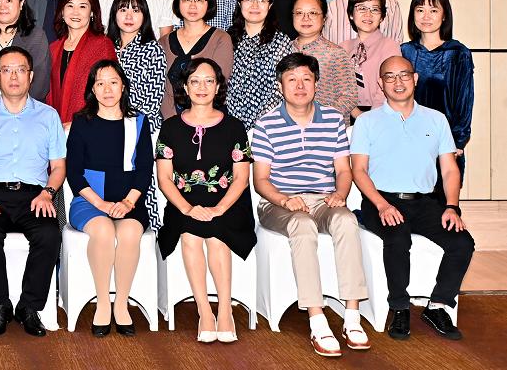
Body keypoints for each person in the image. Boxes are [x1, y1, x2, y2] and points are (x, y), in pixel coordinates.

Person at [252, 53, 369, 357]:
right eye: (292, 80)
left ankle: (352, 317)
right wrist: (284, 199)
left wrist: (340, 194)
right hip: (278, 202)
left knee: (346, 220)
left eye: (306, 79)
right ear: (280, 86)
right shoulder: (266, 124)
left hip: (323, 199)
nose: (300, 86)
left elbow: (343, 170)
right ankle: (317, 319)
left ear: (316, 83)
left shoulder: (333, 120)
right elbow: (261, 181)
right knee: (302, 225)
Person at [350, 55, 474, 341]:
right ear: (380, 84)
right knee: (397, 236)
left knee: (462, 242)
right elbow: (359, 171)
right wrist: (382, 204)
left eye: (404, 75)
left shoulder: (436, 119)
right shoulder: (367, 122)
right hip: (381, 200)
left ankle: (438, 305)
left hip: (426, 202)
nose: (398, 82)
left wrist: (452, 207)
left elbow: (449, 169)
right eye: (390, 77)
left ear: (415, 79)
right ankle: (400, 307)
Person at [0, 46, 65, 338]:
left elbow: (58, 167)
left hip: (36, 196)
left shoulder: (48, 116)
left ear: (31, 75)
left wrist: (48, 193)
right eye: (6, 70)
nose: (14, 76)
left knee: (49, 235)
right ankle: (1, 304)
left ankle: (29, 307)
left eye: (20, 70)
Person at [155, 58, 255, 343]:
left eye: (209, 80)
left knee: (216, 236)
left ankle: (224, 310)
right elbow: (165, 178)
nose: (202, 87)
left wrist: (219, 208)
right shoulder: (170, 128)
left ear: (218, 86)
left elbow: (241, 178)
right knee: (190, 234)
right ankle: (204, 312)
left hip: (228, 205)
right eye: (195, 81)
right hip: (183, 204)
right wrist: (187, 208)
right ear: (185, 87)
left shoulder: (234, 127)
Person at [65, 59, 153, 336]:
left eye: (113, 82)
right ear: (92, 89)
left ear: (123, 86)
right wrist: (101, 204)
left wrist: (128, 202)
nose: (107, 89)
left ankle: (122, 304)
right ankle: (103, 303)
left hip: (129, 200)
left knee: (129, 233)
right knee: (103, 231)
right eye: (100, 83)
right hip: (89, 201)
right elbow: (74, 173)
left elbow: (144, 170)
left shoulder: (138, 122)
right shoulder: (82, 122)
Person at [107, 0, 168, 230]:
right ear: (114, 15)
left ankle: (148, 230)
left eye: (136, 10)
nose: (129, 16)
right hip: (109, 127)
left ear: (145, 16)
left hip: (142, 127)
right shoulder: (106, 47)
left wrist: (118, 115)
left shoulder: (152, 50)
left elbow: (152, 100)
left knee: (142, 182)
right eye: (123, 9)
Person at [401, 0, 475, 182]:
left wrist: (457, 141)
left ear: (444, 16)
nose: (426, 16)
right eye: (420, 10)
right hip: (407, 141)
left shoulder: (458, 53)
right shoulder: (404, 52)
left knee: (442, 198)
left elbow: (464, 101)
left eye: (433, 10)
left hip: (444, 142)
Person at [160, 0, 234, 118]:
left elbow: (219, 83)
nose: (192, 5)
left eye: (199, 0)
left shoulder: (221, 38)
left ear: (209, 3)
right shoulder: (164, 42)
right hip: (169, 119)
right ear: (178, 2)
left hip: (209, 119)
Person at [226, 0, 293, 131]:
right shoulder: (226, 38)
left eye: (261, 0)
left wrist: (260, 123)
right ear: (239, 3)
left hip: (267, 123)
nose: (255, 5)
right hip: (228, 121)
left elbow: (280, 87)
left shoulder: (281, 41)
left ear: (270, 5)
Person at [49, 0, 116, 127]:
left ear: (92, 13)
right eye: (70, 6)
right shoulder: (53, 49)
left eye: (82, 7)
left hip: (91, 126)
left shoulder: (102, 45)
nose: (75, 12)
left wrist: (79, 123)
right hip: (57, 128)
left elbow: (110, 91)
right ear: (62, 11)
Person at [291, 0, 358, 117]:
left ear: (324, 19)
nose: (306, 18)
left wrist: (319, 117)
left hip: (327, 125)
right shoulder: (283, 50)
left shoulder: (336, 53)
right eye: (299, 13)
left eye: (313, 13)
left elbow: (349, 97)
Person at [341, 0, 402, 120]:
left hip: (380, 113)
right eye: (362, 8)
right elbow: (339, 86)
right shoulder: (343, 48)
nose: (368, 14)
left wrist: (370, 117)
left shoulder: (390, 46)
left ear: (382, 17)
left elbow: (389, 84)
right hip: (346, 113)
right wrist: (354, 112)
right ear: (351, 14)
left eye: (374, 9)